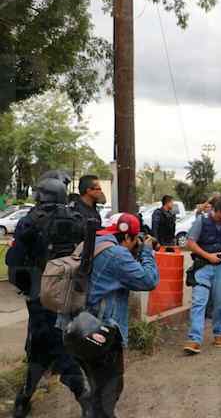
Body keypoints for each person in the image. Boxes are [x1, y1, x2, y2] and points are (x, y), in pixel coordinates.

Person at [6, 174, 89, 418]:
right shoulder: (77, 219)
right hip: (71, 295)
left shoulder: (30, 220)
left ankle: (85, 398)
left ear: (43, 196)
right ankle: (24, 397)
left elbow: (13, 262)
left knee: (52, 346)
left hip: (40, 295)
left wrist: (26, 287)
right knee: (46, 345)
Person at [86, 213, 159, 417]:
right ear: (127, 238)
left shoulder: (94, 242)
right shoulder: (117, 254)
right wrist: (146, 252)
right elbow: (149, 280)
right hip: (103, 329)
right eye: (135, 239)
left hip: (79, 326)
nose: (136, 243)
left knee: (97, 383)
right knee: (112, 383)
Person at [183, 199, 221, 354]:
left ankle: (219, 332)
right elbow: (191, 242)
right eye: (220, 217)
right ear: (214, 211)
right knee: (199, 302)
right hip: (202, 267)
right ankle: (194, 339)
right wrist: (208, 256)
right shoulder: (201, 221)